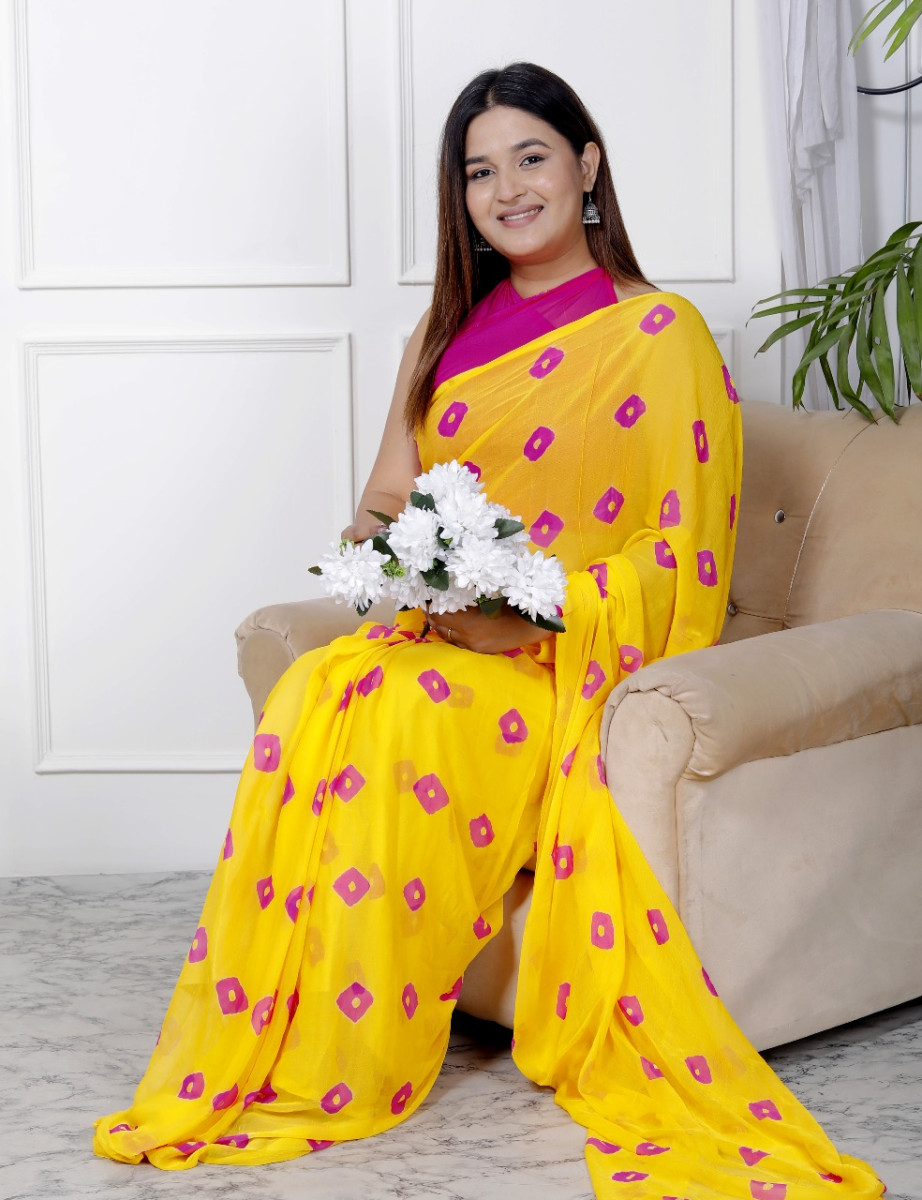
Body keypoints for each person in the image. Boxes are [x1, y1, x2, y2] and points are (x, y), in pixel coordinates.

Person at [94, 63, 884, 1197]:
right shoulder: (443, 332)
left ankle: (345, 1063)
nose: (507, 188)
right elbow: (383, 498)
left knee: (401, 709)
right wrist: (404, 556)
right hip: (439, 633)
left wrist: (531, 604)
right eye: (479, 171)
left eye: (531, 158)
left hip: (557, 663)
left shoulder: (657, 333)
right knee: (322, 687)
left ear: (587, 166)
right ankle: (295, 1036)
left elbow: (678, 554)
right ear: (457, 195)